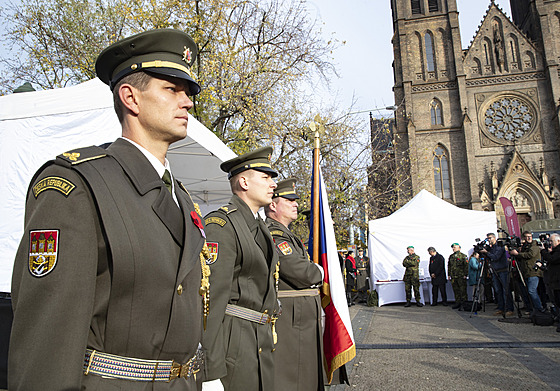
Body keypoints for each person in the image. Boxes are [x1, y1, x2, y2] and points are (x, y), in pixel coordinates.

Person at [9, 29, 208, 389]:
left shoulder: (182, 197)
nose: (188, 102)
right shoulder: (78, 186)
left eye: (189, 92)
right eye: (172, 89)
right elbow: (47, 340)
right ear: (130, 97)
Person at [202, 147, 280, 391]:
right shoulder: (221, 225)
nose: (273, 184)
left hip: (258, 339)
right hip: (233, 343)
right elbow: (210, 302)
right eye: (265, 177)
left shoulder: (259, 226)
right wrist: (210, 371)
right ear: (244, 181)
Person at [264, 178, 325, 391]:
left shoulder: (287, 234)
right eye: (289, 200)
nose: (295, 203)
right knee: (293, 376)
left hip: (298, 316)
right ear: (273, 204)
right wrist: (320, 270)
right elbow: (302, 272)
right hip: (290, 318)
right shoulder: (274, 233)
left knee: (303, 374)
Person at [509, 231, 544, 313]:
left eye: (530, 236)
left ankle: (539, 308)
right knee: (527, 291)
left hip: (533, 271)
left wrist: (517, 254)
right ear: (523, 238)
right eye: (526, 236)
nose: (528, 238)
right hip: (526, 272)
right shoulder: (525, 246)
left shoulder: (534, 245)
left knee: (532, 291)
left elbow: (530, 255)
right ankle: (531, 308)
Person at [480, 233, 514, 317]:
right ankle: (501, 308)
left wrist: (486, 252)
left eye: (490, 238)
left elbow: (495, 257)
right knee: (498, 290)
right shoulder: (490, 248)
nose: (489, 240)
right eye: (487, 239)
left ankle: (509, 308)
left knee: (505, 290)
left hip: (503, 270)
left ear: (494, 238)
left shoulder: (499, 246)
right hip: (495, 271)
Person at [538, 233, 560, 331]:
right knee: (556, 301)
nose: (550, 243)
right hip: (554, 281)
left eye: (552, 241)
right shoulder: (555, 250)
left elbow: (553, 259)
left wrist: (543, 251)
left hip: (558, 281)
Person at [448, 243, 468, 310]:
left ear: (459, 248)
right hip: (454, 276)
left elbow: (466, 266)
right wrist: (449, 274)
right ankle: (458, 302)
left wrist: (465, 274)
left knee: (463, 290)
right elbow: (449, 266)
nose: (453, 248)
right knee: (456, 290)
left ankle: (464, 304)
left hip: (461, 276)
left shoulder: (463, 256)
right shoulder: (451, 256)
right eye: (453, 247)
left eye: (455, 247)